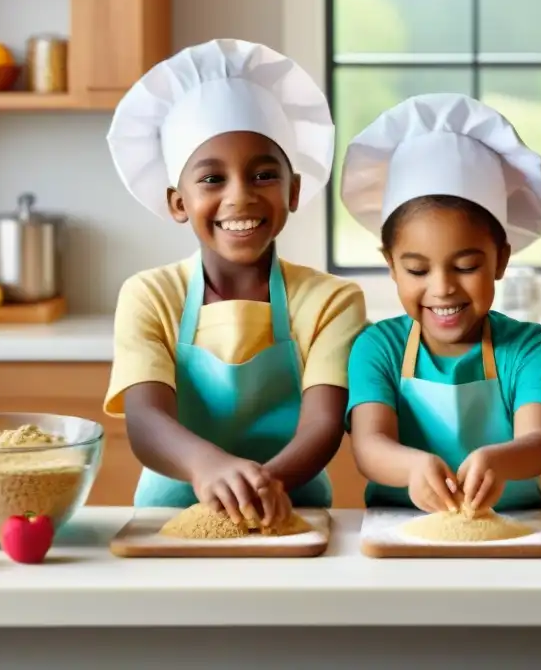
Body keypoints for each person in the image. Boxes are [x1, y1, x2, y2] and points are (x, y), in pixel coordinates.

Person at [103, 39, 366, 528]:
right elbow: (145, 420)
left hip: (293, 513)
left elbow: (324, 424)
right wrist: (209, 468)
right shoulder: (151, 296)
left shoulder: (332, 300)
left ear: (293, 190)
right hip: (168, 521)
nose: (240, 197)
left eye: (264, 174)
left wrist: (263, 489)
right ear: (177, 202)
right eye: (211, 179)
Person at [340, 93, 541, 515]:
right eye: (417, 270)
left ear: (501, 260)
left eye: (465, 266)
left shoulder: (530, 348)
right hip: (398, 528)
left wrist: (498, 459)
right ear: (390, 265)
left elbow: (539, 443)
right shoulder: (378, 348)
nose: (442, 289)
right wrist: (413, 466)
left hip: (514, 528)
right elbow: (369, 446)